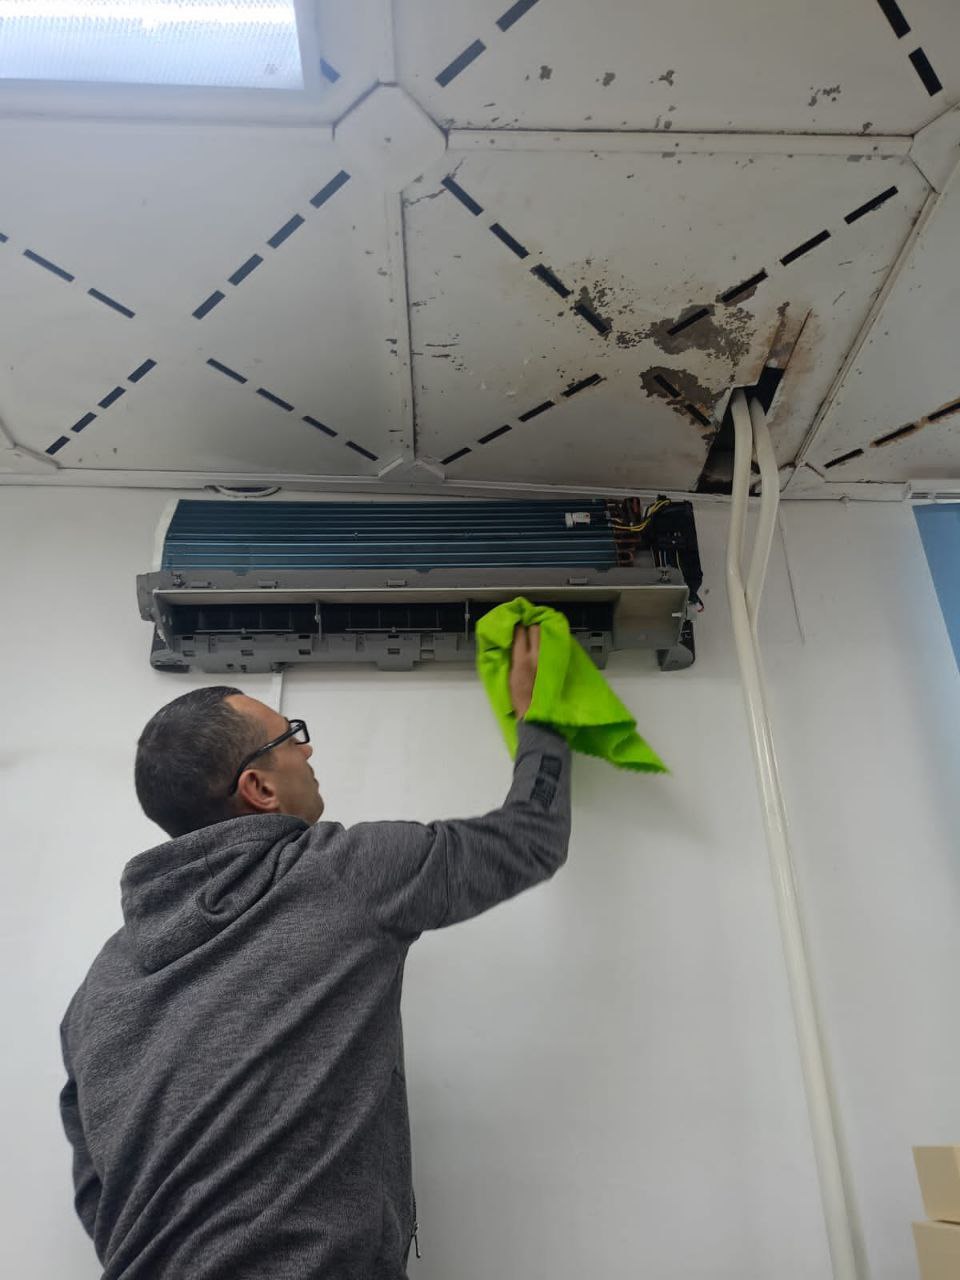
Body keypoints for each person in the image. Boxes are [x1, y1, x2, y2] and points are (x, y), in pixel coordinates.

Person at [58, 624, 571, 1279]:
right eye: (290, 737)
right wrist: (540, 717)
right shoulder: (341, 874)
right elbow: (528, 838)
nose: (307, 748)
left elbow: (95, 1190)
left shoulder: (96, 990)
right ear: (260, 788)